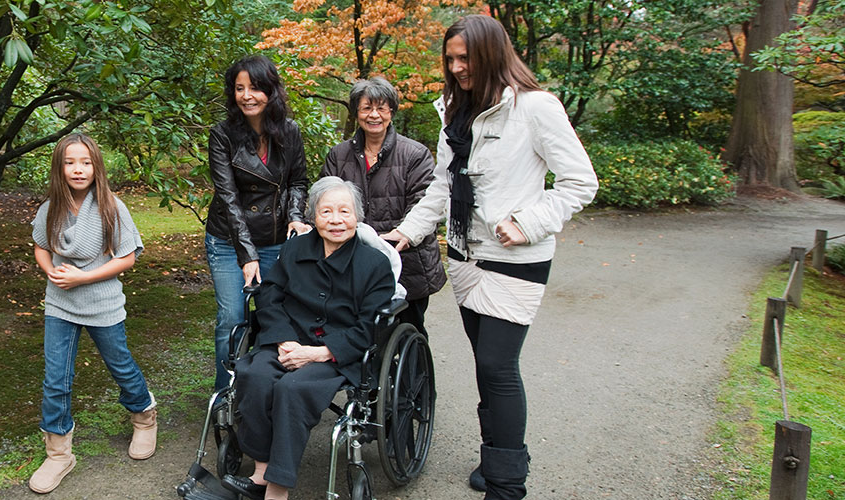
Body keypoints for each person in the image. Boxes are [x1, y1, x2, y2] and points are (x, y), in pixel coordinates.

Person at [381, 15, 599, 500]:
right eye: (451, 58)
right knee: (484, 362)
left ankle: (507, 484)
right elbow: (442, 184)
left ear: (493, 55)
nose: (457, 67)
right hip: (464, 257)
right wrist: (407, 232)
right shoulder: (454, 113)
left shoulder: (536, 108)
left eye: (467, 58)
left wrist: (527, 223)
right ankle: (495, 456)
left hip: (514, 260)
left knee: (499, 367)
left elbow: (580, 182)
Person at [221, 177, 396, 500]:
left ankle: (278, 487)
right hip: (286, 341)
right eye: (326, 211)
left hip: (335, 353)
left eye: (344, 211)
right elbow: (270, 296)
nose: (335, 220)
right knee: (253, 375)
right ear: (313, 216)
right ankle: (261, 468)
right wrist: (284, 340)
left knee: (293, 388)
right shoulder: (295, 248)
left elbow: (370, 325)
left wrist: (319, 353)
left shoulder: (375, 264)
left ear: (357, 216)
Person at [28, 133, 156, 494]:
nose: (78, 169)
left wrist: (83, 277)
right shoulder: (49, 208)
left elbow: (127, 257)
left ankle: (144, 417)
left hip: (103, 304)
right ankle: (58, 453)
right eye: (70, 162)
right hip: (60, 304)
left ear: (96, 166)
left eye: (85, 162)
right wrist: (50, 271)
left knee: (120, 365)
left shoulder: (111, 207)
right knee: (56, 378)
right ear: (60, 167)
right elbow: (40, 247)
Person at [205, 55, 312, 392]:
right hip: (228, 241)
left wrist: (296, 215)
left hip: (277, 239)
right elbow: (229, 198)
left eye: (254, 88)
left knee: (272, 317)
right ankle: (225, 393)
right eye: (239, 88)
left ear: (270, 91)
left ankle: (262, 390)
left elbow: (298, 181)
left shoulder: (290, 132)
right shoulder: (222, 135)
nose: (247, 95)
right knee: (232, 319)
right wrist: (246, 255)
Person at [321, 77, 446, 333]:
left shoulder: (415, 154)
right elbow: (325, 199)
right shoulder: (339, 155)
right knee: (359, 332)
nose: (374, 115)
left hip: (406, 261)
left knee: (408, 329)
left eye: (382, 107)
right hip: (351, 262)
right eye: (366, 108)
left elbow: (424, 202)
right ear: (356, 112)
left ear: (392, 111)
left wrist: (399, 235)